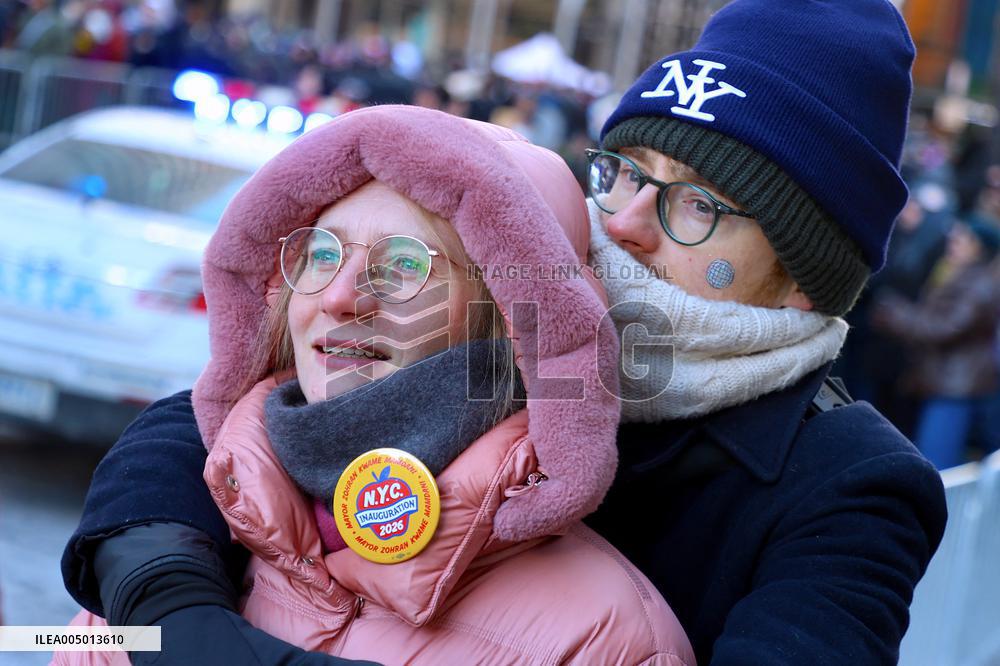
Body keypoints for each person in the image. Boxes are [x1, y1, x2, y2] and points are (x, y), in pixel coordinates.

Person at [63, 0, 947, 663]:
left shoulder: (851, 483)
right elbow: (234, 419)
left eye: (697, 206)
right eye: (622, 173)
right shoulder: (526, 312)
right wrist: (169, 598)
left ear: (801, 278)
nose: (627, 221)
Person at [56, 105, 693, 665]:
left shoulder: (605, 639)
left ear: (510, 319)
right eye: (323, 254)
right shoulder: (184, 531)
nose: (337, 296)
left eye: (406, 265)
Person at [873, 216, 1000, 469]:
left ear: (980, 248)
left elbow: (945, 328)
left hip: (955, 387)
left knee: (937, 464)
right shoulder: (955, 273)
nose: (953, 242)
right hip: (941, 381)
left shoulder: (981, 284)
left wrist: (897, 314)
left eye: (963, 238)